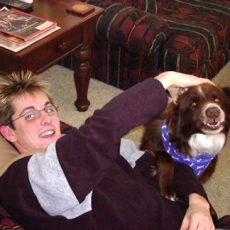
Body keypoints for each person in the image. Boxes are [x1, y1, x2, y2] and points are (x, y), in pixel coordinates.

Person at [0, 71, 216, 230]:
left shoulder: (78, 142)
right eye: (30, 115)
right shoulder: (22, 179)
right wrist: (165, 81)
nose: (46, 118)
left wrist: (197, 200)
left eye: (48, 108)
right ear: (9, 133)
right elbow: (106, 125)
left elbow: (163, 164)